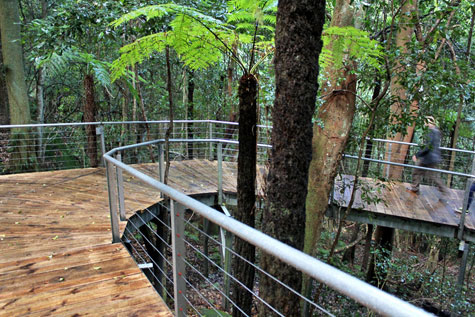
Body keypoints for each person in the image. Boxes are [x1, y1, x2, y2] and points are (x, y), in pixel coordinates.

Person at [407, 116, 448, 196]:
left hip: (428, 157)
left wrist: (417, 155)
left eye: (426, 122)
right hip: (433, 157)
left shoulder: (431, 132)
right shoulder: (436, 131)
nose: (425, 124)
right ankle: (444, 190)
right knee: (432, 176)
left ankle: (415, 189)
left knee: (418, 172)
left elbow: (428, 146)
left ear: (429, 122)